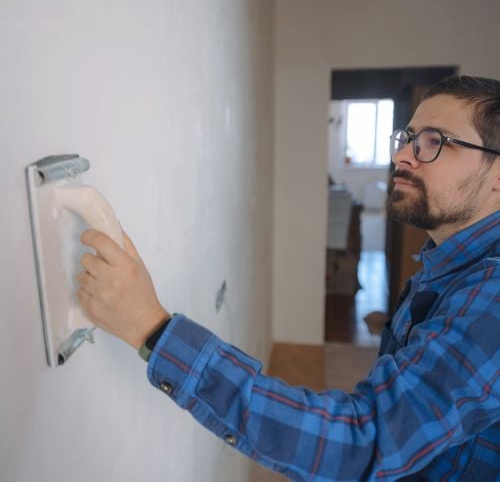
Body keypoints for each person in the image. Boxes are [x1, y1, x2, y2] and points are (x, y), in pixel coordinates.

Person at [76, 76, 500, 480]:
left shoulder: (493, 295)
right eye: (407, 137)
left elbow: (359, 443)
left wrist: (152, 328)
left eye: (435, 141)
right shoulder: (447, 263)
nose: (402, 156)